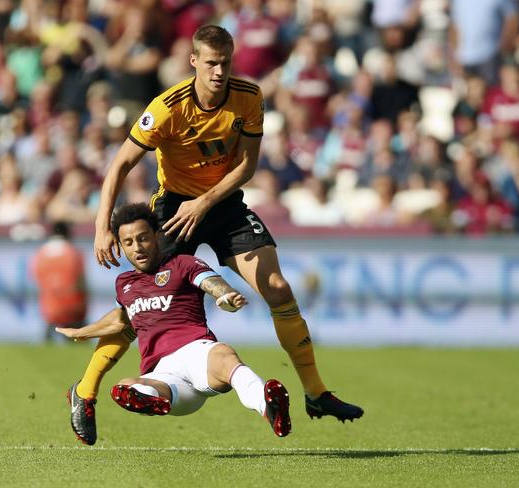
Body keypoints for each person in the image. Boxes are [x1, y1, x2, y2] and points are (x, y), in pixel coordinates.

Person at [68, 24, 363, 446]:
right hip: (172, 209)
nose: (219, 71)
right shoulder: (168, 108)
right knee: (144, 306)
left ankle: (316, 393)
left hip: (221, 205)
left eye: (225, 62)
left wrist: (205, 202)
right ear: (194, 62)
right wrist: (102, 228)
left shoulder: (249, 96)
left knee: (278, 288)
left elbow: (246, 165)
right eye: (210, 63)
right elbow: (119, 166)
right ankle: (84, 391)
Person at [57, 203, 291, 438]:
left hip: (199, 354)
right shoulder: (124, 284)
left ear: (157, 236)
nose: (137, 247)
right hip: (162, 374)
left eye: (143, 238)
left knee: (225, 355)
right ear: (121, 246)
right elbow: (120, 321)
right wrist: (84, 331)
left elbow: (213, 284)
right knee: (127, 386)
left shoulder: (182, 264)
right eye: (128, 242)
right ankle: (148, 398)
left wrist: (225, 295)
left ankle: (268, 406)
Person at [30, 221, 88, 342]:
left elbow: (36, 278)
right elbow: (81, 281)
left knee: (49, 335)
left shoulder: (41, 253)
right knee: (77, 339)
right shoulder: (74, 252)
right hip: (72, 304)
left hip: (50, 304)